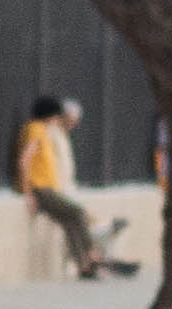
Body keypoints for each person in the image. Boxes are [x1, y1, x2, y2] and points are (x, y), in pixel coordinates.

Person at [15, 94, 130, 278]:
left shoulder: (42, 130)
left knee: (70, 220)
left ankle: (84, 265)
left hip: (47, 187)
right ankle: (91, 256)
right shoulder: (35, 129)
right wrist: (29, 194)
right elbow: (24, 161)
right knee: (77, 212)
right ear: (50, 115)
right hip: (40, 188)